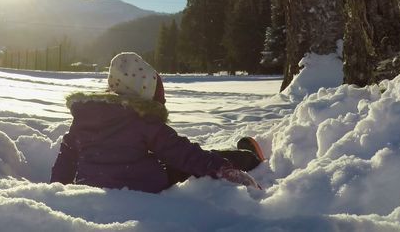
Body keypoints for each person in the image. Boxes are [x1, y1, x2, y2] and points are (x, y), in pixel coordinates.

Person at [50, 52, 264, 193]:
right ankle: (248, 159)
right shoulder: (143, 120)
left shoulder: (85, 117)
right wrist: (222, 169)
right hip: (145, 185)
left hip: (91, 186)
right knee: (192, 162)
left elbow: (66, 158)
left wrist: (57, 190)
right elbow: (182, 152)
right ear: (145, 94)